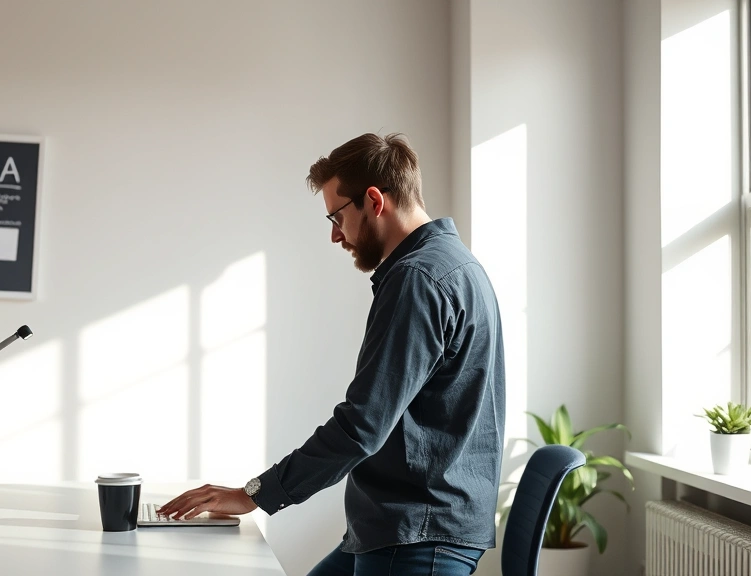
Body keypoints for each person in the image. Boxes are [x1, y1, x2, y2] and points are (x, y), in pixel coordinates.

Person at [157, 133, 505, 576]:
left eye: (338, 216)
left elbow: (361, 426)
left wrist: (254, 494)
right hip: (404, 528)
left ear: (375, 201)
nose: (335, 234)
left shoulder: (418, 279)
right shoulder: (455, 264)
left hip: (417, 536)